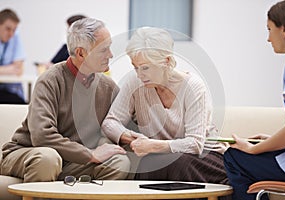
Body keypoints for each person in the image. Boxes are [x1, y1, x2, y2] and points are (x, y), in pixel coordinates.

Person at [0, 18, 130, 182]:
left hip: (71, 161)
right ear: (81, 53)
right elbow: (42, 136)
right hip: (30, 152)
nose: (110, 55)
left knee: (119, 162)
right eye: (104, 49)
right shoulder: (49, 80)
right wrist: (89, 154)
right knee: (48, 158)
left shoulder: (108, 87)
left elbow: (126, 122)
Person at [102, 27, 228, 185]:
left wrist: (153, 146)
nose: (140, 74)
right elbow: (110, 122)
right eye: (136, 67)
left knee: (176, 164)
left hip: (204, 156)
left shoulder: (193, 87)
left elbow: (195, 144)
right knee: (150, 164)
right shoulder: (135, 82)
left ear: (166, 61)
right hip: (162, 156)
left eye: (146, 67)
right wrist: (131, 137)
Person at [223, 0, 285, 199]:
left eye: (269, 29)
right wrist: (272, 140)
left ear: (283, 29)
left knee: (234, 157)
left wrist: (253, 148)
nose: (268, 38)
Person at [0, 8, 26, 104]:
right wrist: (9, 69)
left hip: (11, 92)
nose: (11, 33)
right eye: (8, 29)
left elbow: (18, 70)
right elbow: (14, 68)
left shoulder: (15, 37)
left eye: (14, 30)